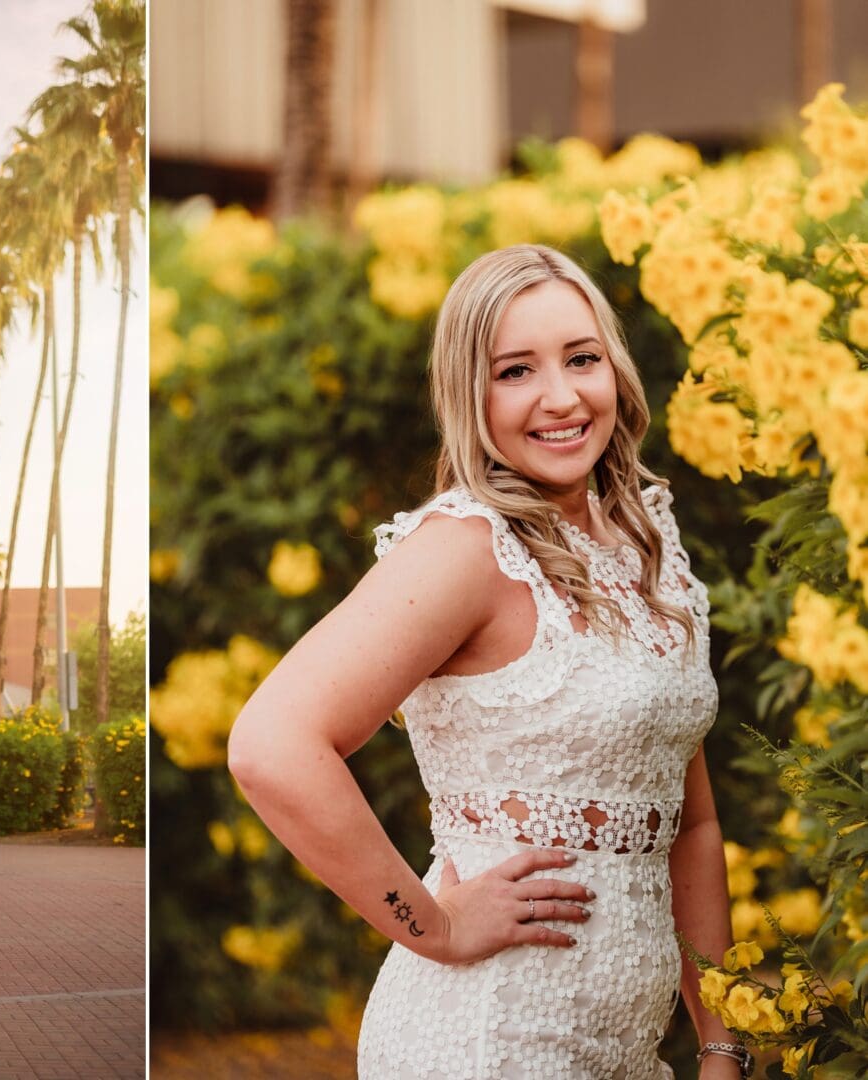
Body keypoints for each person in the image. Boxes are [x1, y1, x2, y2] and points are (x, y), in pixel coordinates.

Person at [227, 244, 749, 1079]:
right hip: (488, 1038)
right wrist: (432, 924)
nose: (561, 397)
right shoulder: (465, 549)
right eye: (515, 371)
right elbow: (269, 745)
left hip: (624, 1051)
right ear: (468, 393)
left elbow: (690, 825)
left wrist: (721, 1041)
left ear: (614, 369)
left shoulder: (646, 545)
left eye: (581, 358)